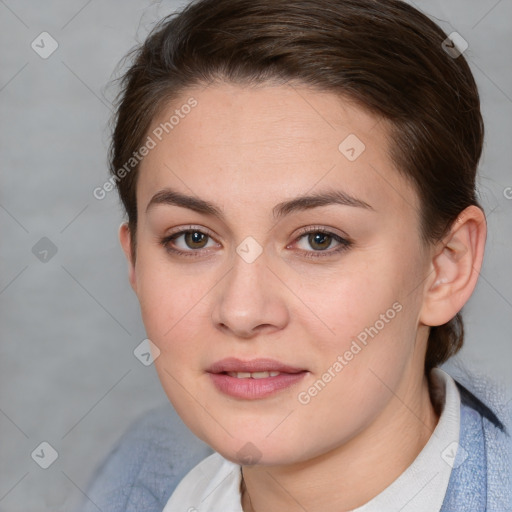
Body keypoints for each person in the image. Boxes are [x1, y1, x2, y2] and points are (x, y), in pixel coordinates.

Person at [78, 0, 511, 510]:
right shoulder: (129, 480)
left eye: (318, 239)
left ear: (445, 266)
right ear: (135, 262)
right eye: (193, 238)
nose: (242, 311)